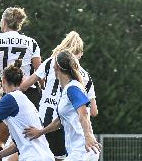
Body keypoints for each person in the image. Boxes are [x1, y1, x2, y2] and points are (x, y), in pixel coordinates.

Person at [20, 31, 98, 161]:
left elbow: (84, 113)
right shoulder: (72, 86)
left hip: (81, 149)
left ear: (57, 68)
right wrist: (40, 132)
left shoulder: (72, 87)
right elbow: (91, 112)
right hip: (72, 144)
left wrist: (88, 135)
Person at [0, 7, 42, 159]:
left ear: (4, 22)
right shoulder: (31, 42)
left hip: (7, 93)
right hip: (30, 94)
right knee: (28, 140)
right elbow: (39, 72)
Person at [0, 60, 55, 161]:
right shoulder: (22, 99)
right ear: (20, 82)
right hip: (44, 156)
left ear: (3, 80)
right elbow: (18, 144)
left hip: (33, 157)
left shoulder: (11, 98)